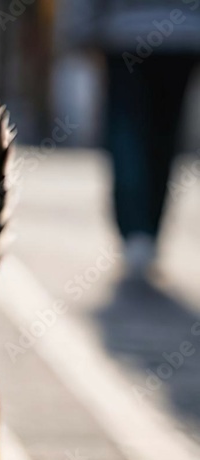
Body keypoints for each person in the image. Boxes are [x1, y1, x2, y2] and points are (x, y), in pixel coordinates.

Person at [59, 0, 200, 278]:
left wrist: (81, 28)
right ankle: (146, 229)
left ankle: (135, 227)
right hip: (181, 33)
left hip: (126, 32)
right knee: (163, 135)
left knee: (128, 130)